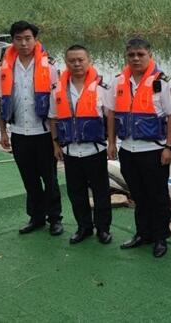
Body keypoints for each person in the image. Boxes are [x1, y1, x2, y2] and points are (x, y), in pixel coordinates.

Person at [106, 37, 171, 258]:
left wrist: (169, 147)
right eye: (131, 55)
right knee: (137, 194)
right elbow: (111, 113)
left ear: (150, 55)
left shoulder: (161, 82)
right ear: (126, 56)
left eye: (140, 54)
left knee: (158, 196)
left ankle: (160, 238)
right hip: (128, 149)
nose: (136, 59)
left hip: (154, 150)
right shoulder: (118, 81)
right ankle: (143, 233)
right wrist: (111, 143)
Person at [0, 20, 63, 236]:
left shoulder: (50, 67)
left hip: (43, 133)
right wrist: (3, 132)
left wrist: (57, 140)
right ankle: (36, 217)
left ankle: (55, 219)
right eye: (19, 39)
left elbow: (58, 104)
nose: (23, 43)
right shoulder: (5, 67)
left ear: (35, 39)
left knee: (50, 179)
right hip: (19, 133)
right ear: (12, 40)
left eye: (28, 38)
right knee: (29, 179)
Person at [49, 45, 113, 245]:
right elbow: (53, 119)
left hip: (95, 149)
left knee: (101, 192)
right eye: (72, 61)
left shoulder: (102, 88)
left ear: (89, 60)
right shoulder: (57, 89)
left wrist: (112, 143)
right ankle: (84, 227)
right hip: (70, 150)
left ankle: (103, 228)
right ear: (66, 63)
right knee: (76, 192)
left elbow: (111, 117)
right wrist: (56, 145)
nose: (77, 64)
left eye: (80, 60)